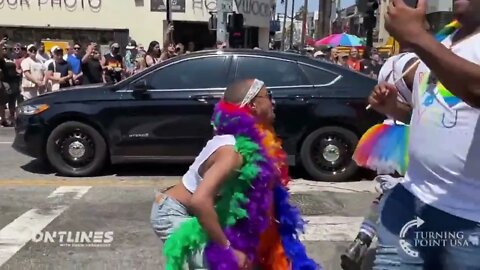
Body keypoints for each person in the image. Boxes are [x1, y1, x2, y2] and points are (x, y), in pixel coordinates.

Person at [151, 79, 318, 270]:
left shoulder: (254, 144)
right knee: (228, 263)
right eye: (268, 95)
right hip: (175, 213)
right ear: (253, 105)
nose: (273, 102)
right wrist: (228, 248)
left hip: (205, 211)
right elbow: (199, 201)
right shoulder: (232, 151)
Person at [371, 0, 480, 268]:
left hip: (469, 219)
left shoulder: (428, 44)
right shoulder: (442, 41)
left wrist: (418, 37)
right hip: (410, 199)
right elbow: (426, 115)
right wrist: (393, 108)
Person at [341, 48, 419, 270]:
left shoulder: (388, 63)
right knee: (408, 196)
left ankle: (361, 241)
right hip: (408, 134)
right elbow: (421, 107)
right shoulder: (415, 64)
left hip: (386, 134)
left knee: (387, 193)